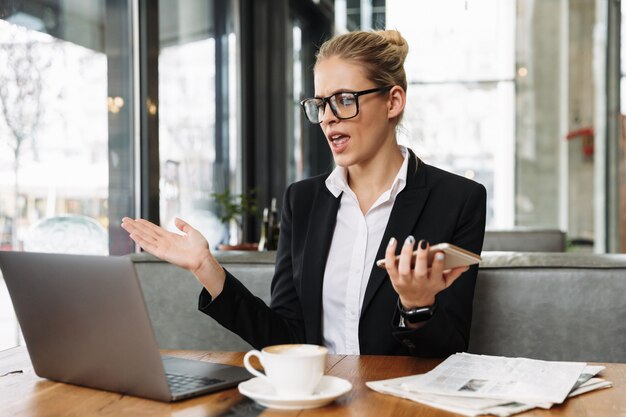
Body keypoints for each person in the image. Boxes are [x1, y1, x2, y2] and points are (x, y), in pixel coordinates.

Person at [122, 29, 486, 357]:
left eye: (344, 99)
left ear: (393, 101)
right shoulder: (303, 201)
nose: (328, 117)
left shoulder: (459, 200)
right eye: (320, 104)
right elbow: (285, 338)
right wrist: (206, 267)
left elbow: (451, 349)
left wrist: (417, 306)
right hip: (318, 402)